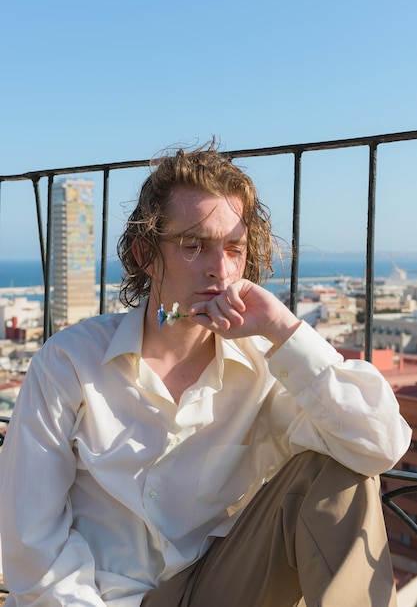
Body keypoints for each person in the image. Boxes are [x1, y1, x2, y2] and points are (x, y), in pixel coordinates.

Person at [0, 143, 412, 607]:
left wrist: (284, 329)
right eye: (194, 246)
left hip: (222, 588)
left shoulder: (267, 363)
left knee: (340, 471)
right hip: (99, 599)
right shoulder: (68, 363)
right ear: (145, 254)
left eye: (233, 249)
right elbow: (31, 545)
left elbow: (380, 445)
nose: (220, 270)